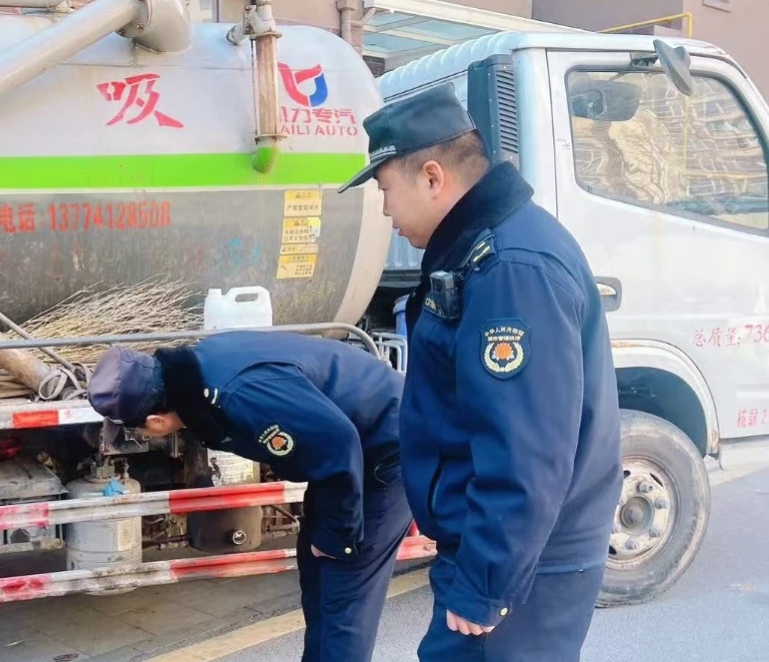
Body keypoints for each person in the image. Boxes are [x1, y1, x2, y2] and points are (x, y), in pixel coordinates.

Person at [338, 83, 623, 661]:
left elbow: (526, 447)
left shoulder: (510, 268)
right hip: (509, 550)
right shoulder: (485, 251)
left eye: (386, 189)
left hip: (524, 560)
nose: (386, 210)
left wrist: (485, 583)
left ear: (433, 177)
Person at [85, 331, 413, 662]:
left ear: (157, 421)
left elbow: (338, 442)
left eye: (135, 429)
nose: (139, 435)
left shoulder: (237, 394)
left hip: (388, 447)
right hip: (346, 459)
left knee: (345, 590)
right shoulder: (196, 375)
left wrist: (339, 536)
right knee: (317, 578)